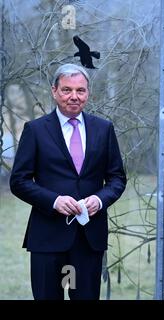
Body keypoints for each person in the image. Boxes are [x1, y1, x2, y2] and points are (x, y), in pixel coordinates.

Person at [9, 64, 127, 300]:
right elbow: (19, 181)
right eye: (67, 90)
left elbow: (117, 178)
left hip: (88, 239)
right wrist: (54, 201)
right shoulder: (35, 130)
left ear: (88, 93)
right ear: (54, 91)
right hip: (47, 238)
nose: (74, 96)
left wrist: (99, 199)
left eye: (80, 90)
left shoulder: (103, 129)